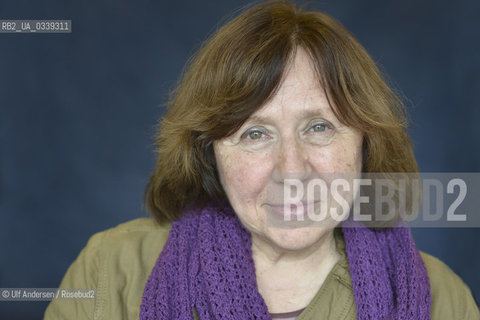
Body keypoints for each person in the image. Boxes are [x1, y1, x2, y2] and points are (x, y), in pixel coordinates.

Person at [44, 1, 479, 319]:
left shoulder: (440, 298)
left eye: (319, 127)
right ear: (208, 154)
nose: (292, 169)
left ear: (365, 143)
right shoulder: (110, 274)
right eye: (255, 133)